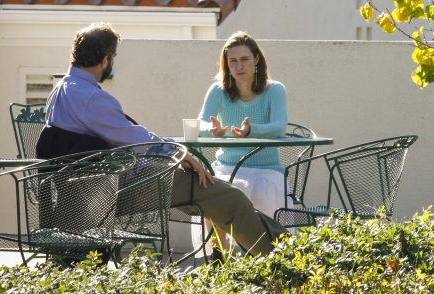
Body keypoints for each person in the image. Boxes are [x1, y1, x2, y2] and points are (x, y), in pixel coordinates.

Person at [35, 22, 288, 257]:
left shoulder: (59, 91)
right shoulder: (92, 98)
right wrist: (178, 153)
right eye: (113, 59)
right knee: (229, 198)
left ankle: (262, 252)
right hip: (115, 188)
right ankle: (284, 258)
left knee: (217, 197)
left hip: (81, 192)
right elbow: (133, 139)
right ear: (105, 60)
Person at [197, 31, 289, 220]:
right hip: (226, 166)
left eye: (244, 59)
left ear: (256, 59)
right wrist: (211, 130)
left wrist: (251, 131)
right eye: (233, 61)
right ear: (226, 64)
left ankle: (266, 249)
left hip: (267, 169)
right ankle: (218, 250)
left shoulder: (275, 90)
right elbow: (200, 124)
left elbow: (280, 127)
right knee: (211, 194)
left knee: (261, 191)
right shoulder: (218, 91)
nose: (239, 66)